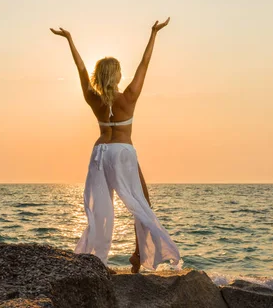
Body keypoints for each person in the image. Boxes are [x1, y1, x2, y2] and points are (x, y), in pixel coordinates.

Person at [50, 18, 180, 273]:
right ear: (117, 74)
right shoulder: (129, 96)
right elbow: (145, 64)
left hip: (100, 152)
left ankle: (98, 260)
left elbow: (80, 69)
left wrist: (70, 40)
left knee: (101, 207)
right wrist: (153, 34)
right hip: (122, 151)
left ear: (99, 76)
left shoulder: (92, 98)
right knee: (141, 202)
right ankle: (138, 254)